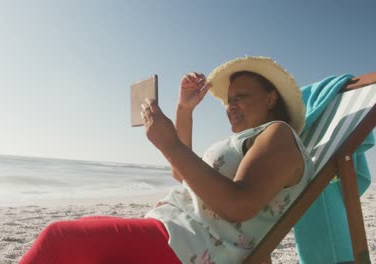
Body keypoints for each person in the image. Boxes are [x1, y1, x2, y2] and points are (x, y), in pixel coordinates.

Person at [19, 56, 314, 264]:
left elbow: (238, 205)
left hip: (187, 245)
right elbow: (182, 174)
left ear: (271, 98)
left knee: (59, 239)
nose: (230, 106)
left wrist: (170, 143)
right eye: (228, 100)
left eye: (240, 97)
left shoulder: (278, 135)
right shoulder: (248, 139)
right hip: (173, 232)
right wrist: (184, 110)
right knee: (85, 232)